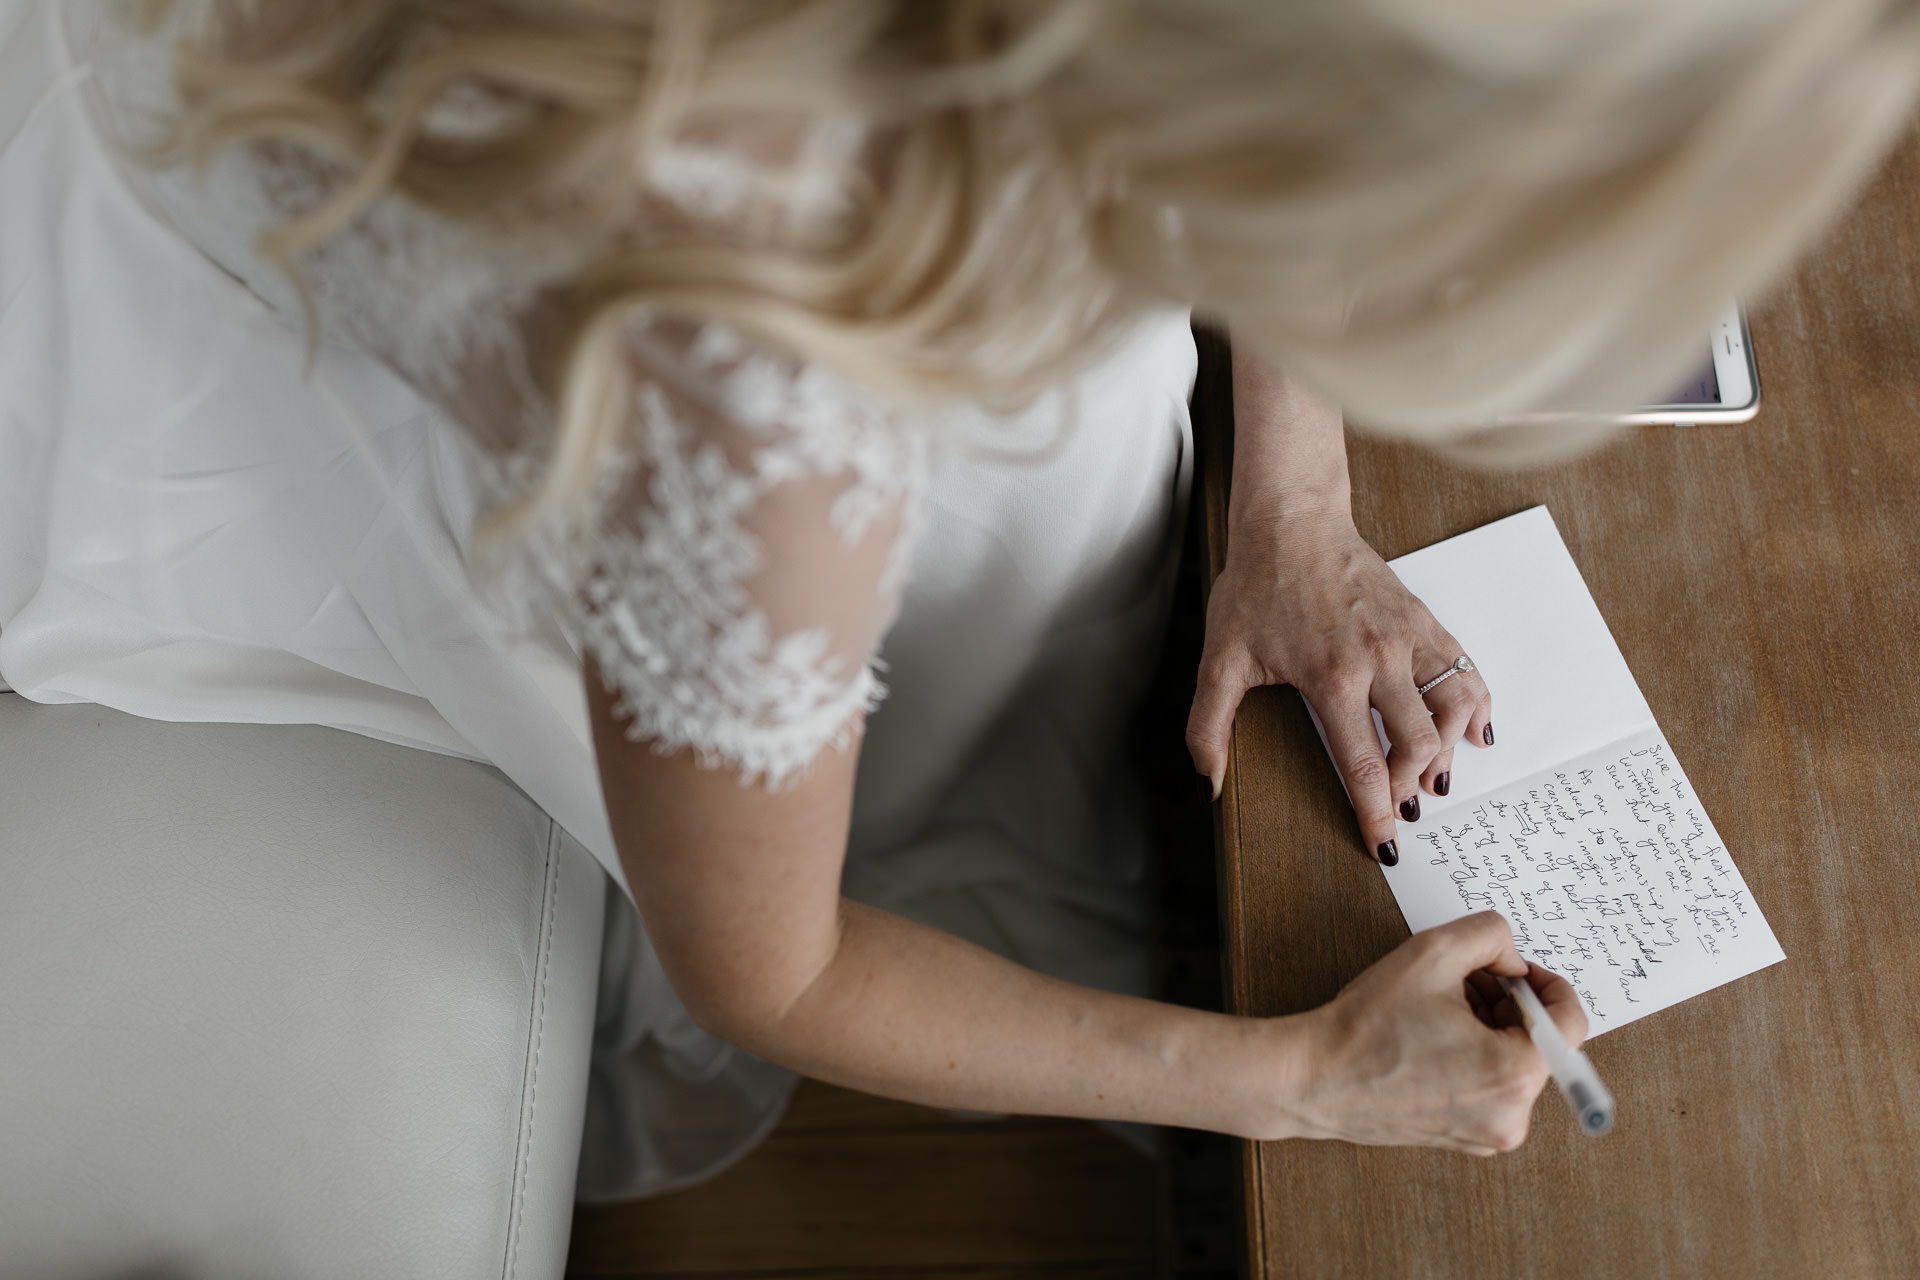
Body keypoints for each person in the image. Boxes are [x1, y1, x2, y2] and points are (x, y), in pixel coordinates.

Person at [3, 0, 1914, 1196]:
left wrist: (1301, 498)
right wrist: (1300, 1081)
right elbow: (780, 961)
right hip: (365, 313)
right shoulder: (766, 410)